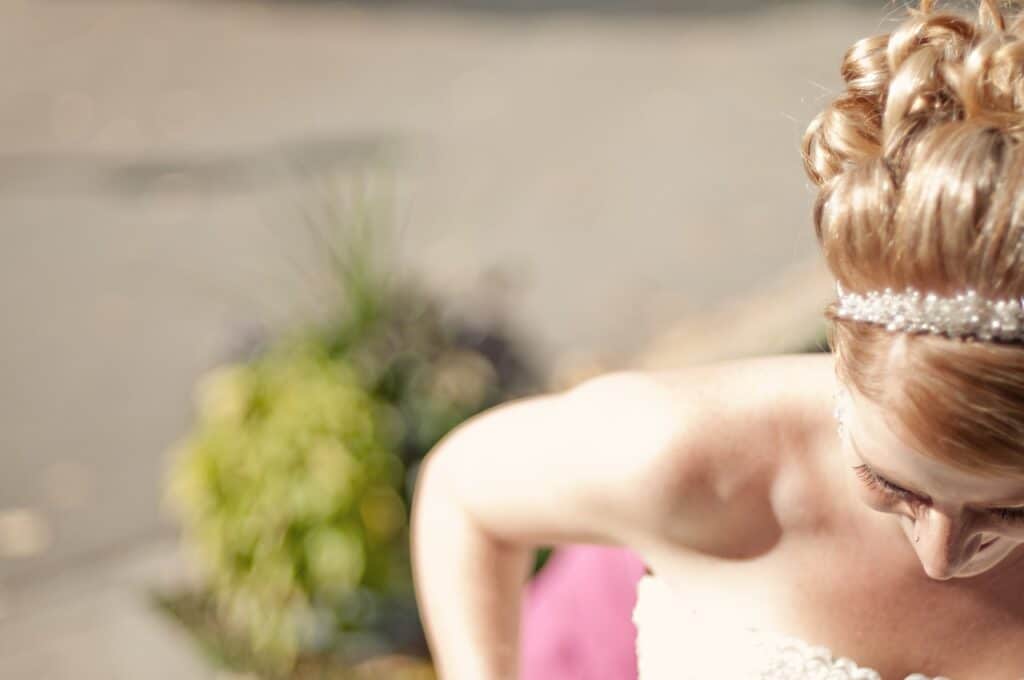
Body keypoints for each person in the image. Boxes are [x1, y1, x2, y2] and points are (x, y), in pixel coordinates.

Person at [410, 1, 1024, 677]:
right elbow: (463, 497)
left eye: (1009, 509)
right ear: (842, 367)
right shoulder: (681, 453)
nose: (940, 555)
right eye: (888, 481)